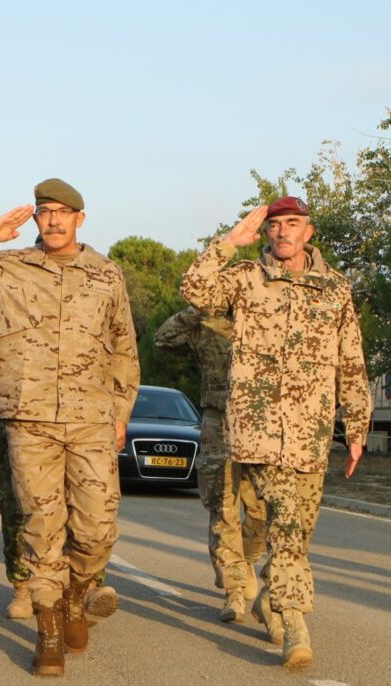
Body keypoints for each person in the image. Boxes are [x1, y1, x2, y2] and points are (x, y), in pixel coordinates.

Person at [0, 178, 139, 677]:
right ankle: (48, 634)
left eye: (63, 212)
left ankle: (76, 598)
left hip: (91, 420)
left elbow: (124, 350)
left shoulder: (107, 276)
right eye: (44, 211)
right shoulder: (10, 269)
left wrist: (122, 416)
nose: (53, 220)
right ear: (36, 218)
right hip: (29, 419)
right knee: (44, 530)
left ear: (80, 219)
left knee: (98, 529)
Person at [180, 197, 371, 668]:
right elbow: (196, 290)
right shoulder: (246, 279)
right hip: (256, 431)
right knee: (285, 524)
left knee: (297, 533)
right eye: (275, 225)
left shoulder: (335, 289)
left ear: (309, 232)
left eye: (293, 224)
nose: (283, 232)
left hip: (310, 434)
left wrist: (358, 427)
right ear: (265, 233)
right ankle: (293, 623)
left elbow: (351, 360)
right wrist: (228, 244)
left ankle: (271, 596)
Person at [0, 297, 119, 622]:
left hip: (76, 422)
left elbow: (122, 336)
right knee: (19, 509)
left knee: (82, 510)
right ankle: (23, 587)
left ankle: (86, 586)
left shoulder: (84, 299)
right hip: (19, 423)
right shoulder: (17, 293)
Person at [154, 307, 267, 623]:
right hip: (218, 420)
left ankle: (244, 562)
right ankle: (233, 589)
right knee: (223, 507)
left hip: (263, 424)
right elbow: (163, 339)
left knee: (262, 510)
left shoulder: (266, 314)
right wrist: (197, 309)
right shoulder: (206, 323)